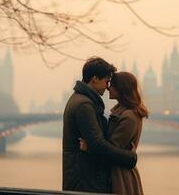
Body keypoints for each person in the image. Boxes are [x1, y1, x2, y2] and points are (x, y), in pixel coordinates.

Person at [62, 57, 137, 193]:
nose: (107, 87)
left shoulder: (81, 100)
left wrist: (90, 145)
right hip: (86, 182)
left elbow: (94, 143)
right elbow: (98, 144)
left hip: (83, 179)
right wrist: (130, 158)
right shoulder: (84, 105)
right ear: (95, 79)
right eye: (106, 81)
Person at [80, 71, 148, 195]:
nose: (108, 88)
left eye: (112, 85)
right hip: (116, 173)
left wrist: (90, 146)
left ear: (121, 89)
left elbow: (112, 149)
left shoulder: (129, 116)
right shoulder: (122, 113)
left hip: (121, 177)